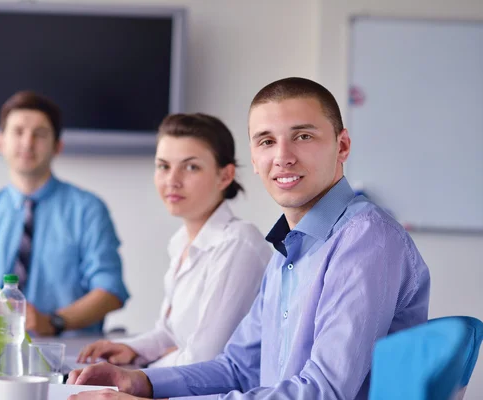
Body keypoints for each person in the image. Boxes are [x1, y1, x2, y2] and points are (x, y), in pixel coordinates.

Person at [66, 77, 431, 399]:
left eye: (303, 136)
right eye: (266, 141)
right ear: (254, 160)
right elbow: (237, 369)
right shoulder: (288, 251)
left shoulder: (365, 238)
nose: (283, 156)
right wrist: (138, 382)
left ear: (343, 146)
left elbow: (323, 392)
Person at [77, 113, 272, 368]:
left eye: (191, 167)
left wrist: (140, 374)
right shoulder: (180, 242)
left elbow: (204, 357)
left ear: (225, 176)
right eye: (163, 166)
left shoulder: (237, 243)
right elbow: (169, 332)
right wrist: (130, 348)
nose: (172, 180)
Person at [0, 91, 129, 336]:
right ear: (1, 142)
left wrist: (54, 322)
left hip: (68, 355)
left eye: (39, 134)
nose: (27, 143)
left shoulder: (88, 210)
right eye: (18, 132)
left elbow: (110, 290)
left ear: (57, 145)